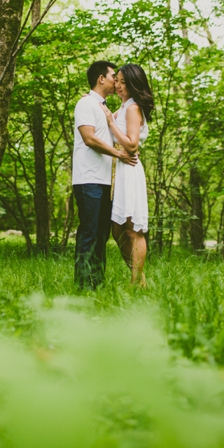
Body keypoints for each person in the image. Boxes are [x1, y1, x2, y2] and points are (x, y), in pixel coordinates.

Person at [73, 61, 138, 289]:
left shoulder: (104, 107)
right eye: (114, 77)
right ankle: (83, 285)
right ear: (101, 78)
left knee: (102, 235)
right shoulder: (85, 104)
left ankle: (96, 284)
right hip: (87, 180)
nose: (117, 82)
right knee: (89, 233)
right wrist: (118, 155)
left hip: (104, 182)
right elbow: (89, 139)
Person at [99, 64, 154, 287]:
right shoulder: (123, 107)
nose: (118, 85)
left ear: (133, 84)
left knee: (133, 231)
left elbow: (131, 145)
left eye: (123, 81)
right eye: (117, 80)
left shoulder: (132, 108)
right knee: (118, 229)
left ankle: (135, 281)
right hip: (118, 169)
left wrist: (111, 122)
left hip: (128, 169)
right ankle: (140, 278)